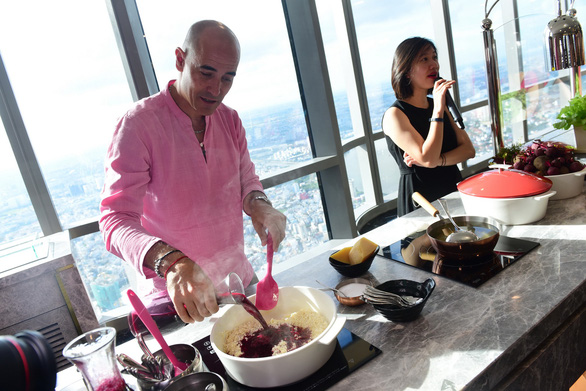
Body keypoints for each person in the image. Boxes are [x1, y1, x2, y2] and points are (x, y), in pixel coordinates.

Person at [99, 20, 287, 323]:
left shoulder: (230, 120)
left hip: (237, 281)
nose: (217, 89)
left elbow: (247, 182)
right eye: (206, 73)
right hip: (176, 297)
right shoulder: (138, 125)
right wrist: (173, 263)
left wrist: (260, 206)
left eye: (228, 78)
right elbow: (114, 220)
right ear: (179, 60)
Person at [382, 37, 475, 216]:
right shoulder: (395, 115)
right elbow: (428, 158)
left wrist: (439, 160)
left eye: (434, 57)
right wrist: (438, 110)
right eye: (424, 59)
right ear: (406, 70)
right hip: (422, 200)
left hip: (452, 188)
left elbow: (469, 150)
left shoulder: (437, 105)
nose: (434, 64)